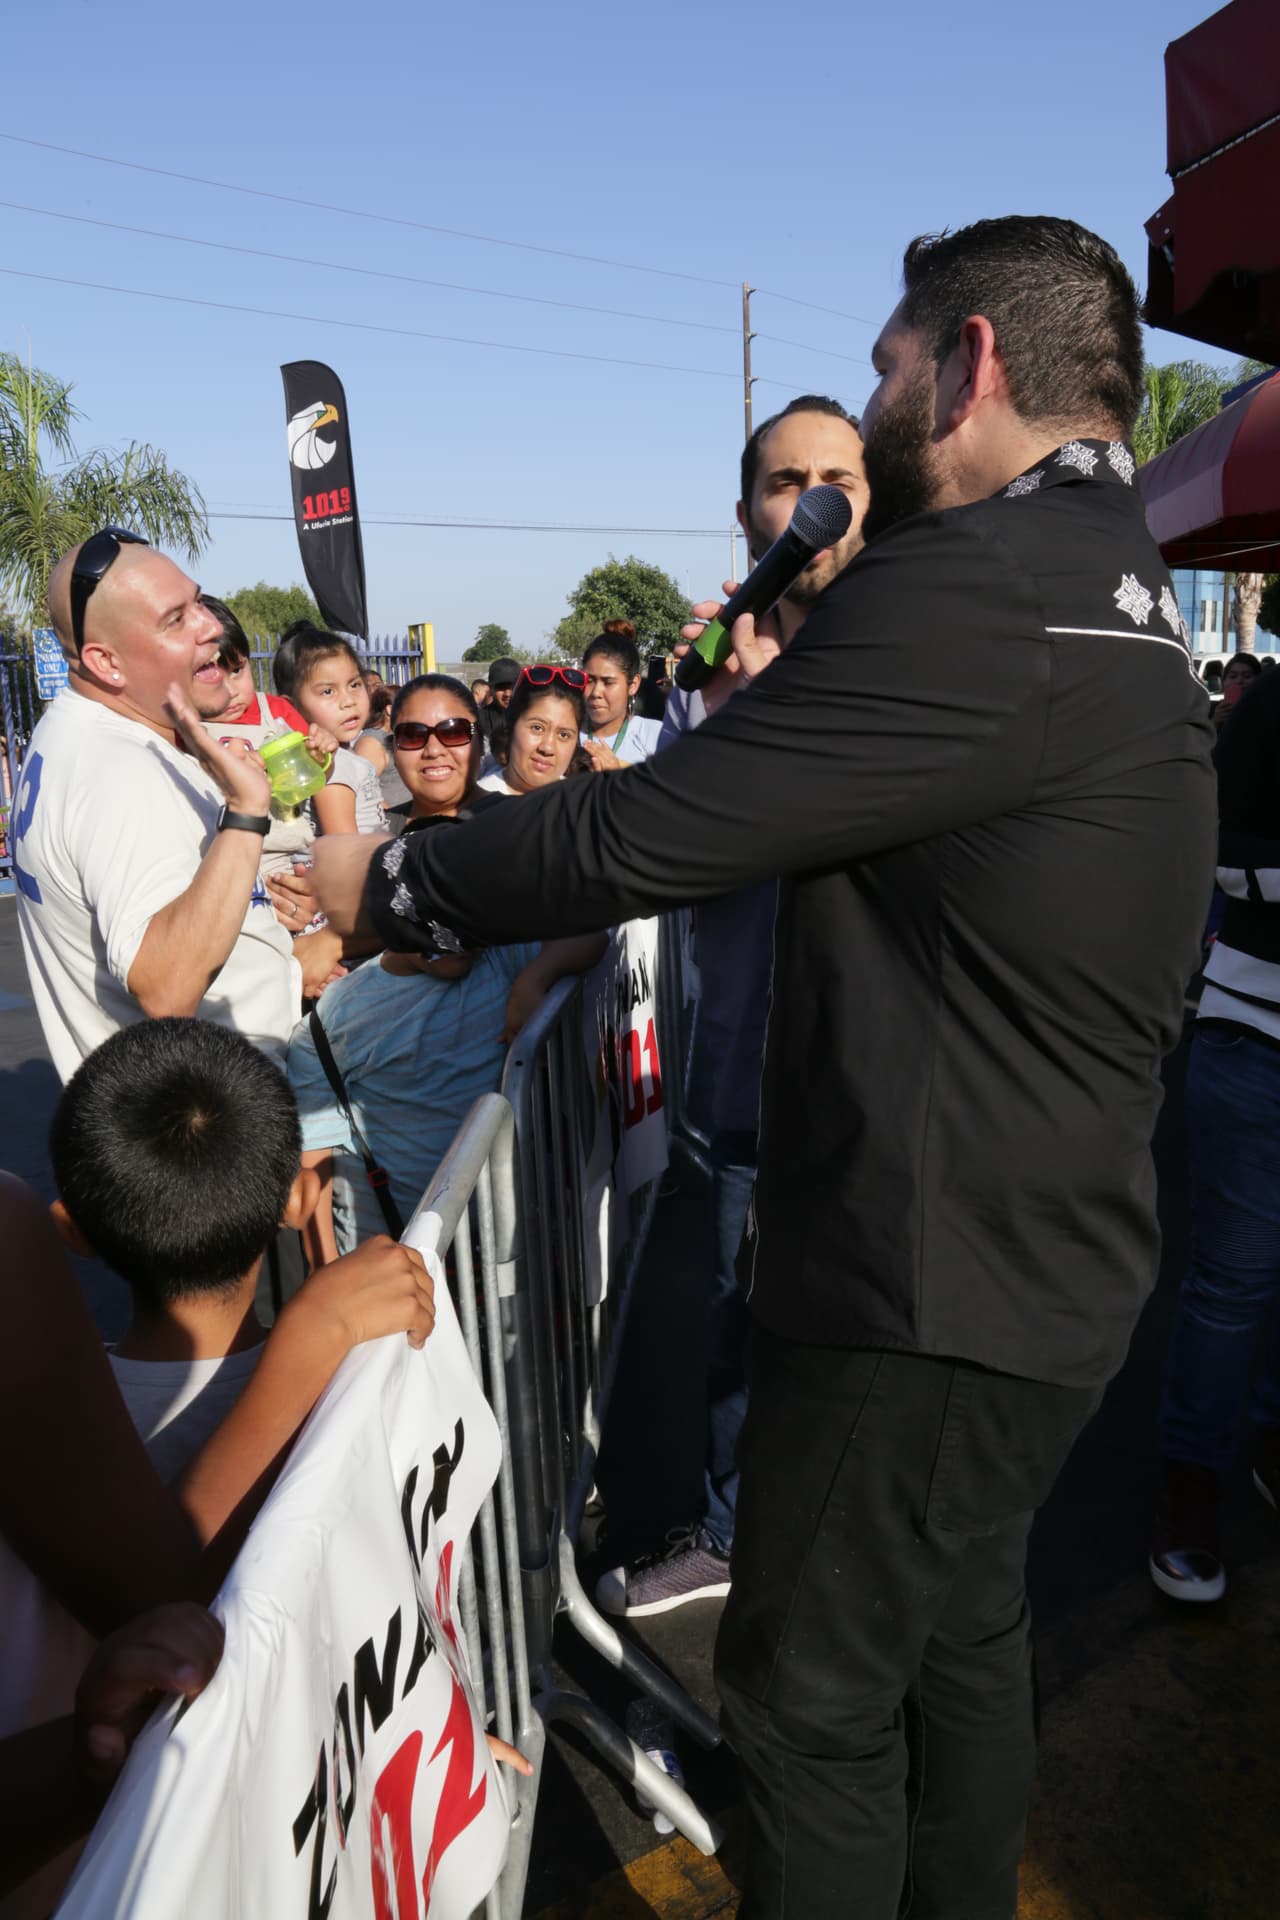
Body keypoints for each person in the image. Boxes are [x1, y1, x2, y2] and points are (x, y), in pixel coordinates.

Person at [315, 214, 1218, 1917]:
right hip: (1045, 1264)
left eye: (886, 367)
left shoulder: (971, 586)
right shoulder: (1114, 579)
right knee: (963, 1641)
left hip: (923, 1287)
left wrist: (406, 881)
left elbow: (660, 822)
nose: (873, 406)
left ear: (968, 367)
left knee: (809, 1702)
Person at [1, 1037, 435, 1913]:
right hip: (293, 1829)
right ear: (293, 1198)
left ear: (70, 1231)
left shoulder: (35, 1392)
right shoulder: (347, 1386)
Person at [598, 395, 869, 1619]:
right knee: (732, 1324)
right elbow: (661, 846)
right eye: (784, 480)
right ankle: (721, 1528)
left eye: (836, 476)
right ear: (748, 511)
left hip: (871, 1088)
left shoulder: (904, 652)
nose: (812, 500)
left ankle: (827, 1567)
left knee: (849, 1350)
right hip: (735, 1079)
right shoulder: (702, 686)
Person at [289, 675, 604, 1258]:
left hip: (524, 1140)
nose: (434, 748)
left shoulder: (520, 830)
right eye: (413, 734)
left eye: (453, 730)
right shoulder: (380, 846)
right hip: (397, 1133)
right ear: (394, 745)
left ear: (479, 741)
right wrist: (343, 936)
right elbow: (341, 941)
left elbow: (589, 920)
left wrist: (537, 976)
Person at [10, 531, 325, 1081]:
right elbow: (168, 982)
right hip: (210, 1132)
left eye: (198, 602)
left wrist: (257, 912)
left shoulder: (77, 730)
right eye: (175, 620)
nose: (211, 627)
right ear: (105, 661)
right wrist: (247, 815)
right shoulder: (119, 768)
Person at [1151, 657, 1280, 1602]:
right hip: (1256, 1039)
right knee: (1232, 1285)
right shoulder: (1271, 706)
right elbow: (1211, 846)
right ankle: (1190, 1489)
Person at [271, 623, 388, 837]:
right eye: (327, 691)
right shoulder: (334, 765)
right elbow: (344, 846)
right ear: (291, 706)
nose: (348, 701)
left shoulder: (342, 756)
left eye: (354, 684)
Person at [478, 665, 592, 796]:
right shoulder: (479, 807)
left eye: (563, 735)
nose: (547, 748)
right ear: (511, 726)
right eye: (537, 728)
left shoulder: (583, 804)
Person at [581, 622, 664, 769]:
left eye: (608, 682)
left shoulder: (656, 736)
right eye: (590, 680)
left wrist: (618, 775)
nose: (596, 693)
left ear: (633, 685)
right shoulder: (565, 734)